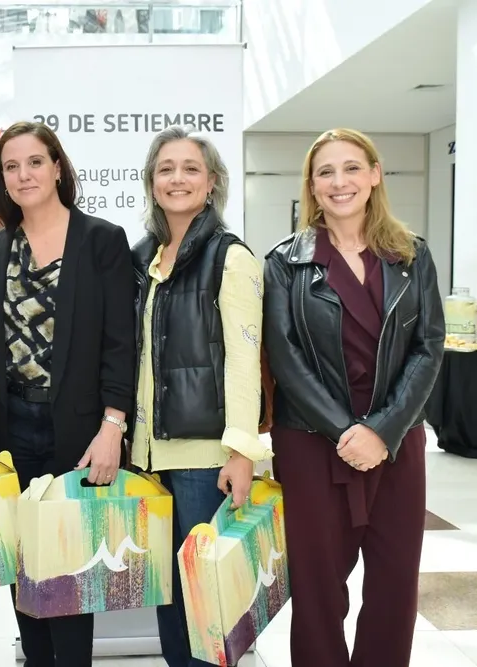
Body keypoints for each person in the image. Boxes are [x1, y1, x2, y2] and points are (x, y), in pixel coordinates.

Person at [263, 128, 444, 667]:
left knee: (394, 587)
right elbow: (285, 358)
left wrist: (383, 431)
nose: (339, 182)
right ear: (312, 186)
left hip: (396, 440)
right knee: (319, 590)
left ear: (374, 174)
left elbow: (429, 347)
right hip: (314, 442)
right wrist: (345, 431)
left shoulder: (413, 256)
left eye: (350, 168)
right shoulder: (285, 263)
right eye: (325, 172)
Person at [0, 120, 136, 667]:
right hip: (9, 431)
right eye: (11, 166)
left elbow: (122, 344)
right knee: (25, 575)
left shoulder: (101, 240)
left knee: (71, 580)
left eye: (34, 162)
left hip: (78, 431)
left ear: (57, 167)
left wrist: (112, 426)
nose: (23, 174)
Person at [130, 125, 269, 667]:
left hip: (203, 461)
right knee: (170, 603)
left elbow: (244, 361)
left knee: (209, 609)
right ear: (151, 182)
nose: (178, 178)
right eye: (166, 168)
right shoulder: (143, 256)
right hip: (147, 460)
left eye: (191, 168)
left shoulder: (229, 257)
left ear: (212, 183)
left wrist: (241, 451)